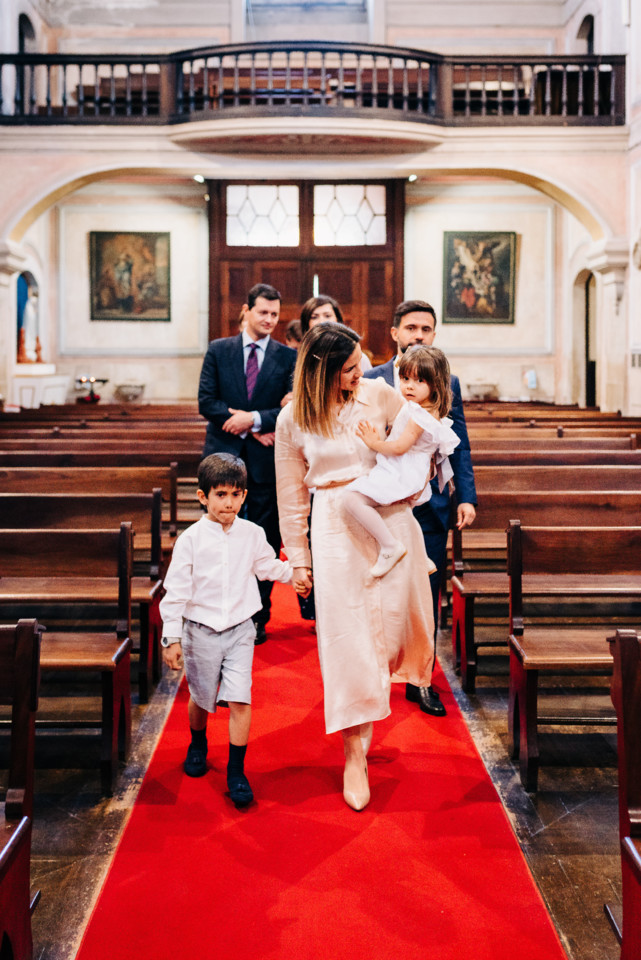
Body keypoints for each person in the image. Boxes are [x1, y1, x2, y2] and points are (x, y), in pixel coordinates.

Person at [275, 322, 435, 811]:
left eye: (359, 364)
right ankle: (353, 752)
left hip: (389, 514)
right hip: (333, 524)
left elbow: (420, 437)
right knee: (346, 640)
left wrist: (420, 481)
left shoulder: (379, 394)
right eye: (347, 369)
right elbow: (290, 496)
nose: (359, 373)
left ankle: (369, 710)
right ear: (321, 370)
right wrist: (298, 559)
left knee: (393, 627)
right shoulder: (292, 419)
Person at [159, 453, 293, 807]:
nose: (229, 503)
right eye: (221, 495)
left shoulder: (253, 533)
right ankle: (198, 743)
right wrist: (171, 637)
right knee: (201, 697)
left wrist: (298, 574)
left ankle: (236, 771)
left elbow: (268, 567)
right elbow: (176, 591)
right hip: (200, 630)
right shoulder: (190, 539)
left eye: (236, 495)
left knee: (240, 698)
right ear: (203, 496)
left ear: (244, 495)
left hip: (240, 629)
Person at [364, 300, 477, 717]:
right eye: (411, 327)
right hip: (382, 502)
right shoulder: (371, 380)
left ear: (433, 334)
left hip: (429, 505)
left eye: (426, 329)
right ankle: (374, 675)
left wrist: (466, 496)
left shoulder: (447, 380)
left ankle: (421, 679)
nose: (418, 335)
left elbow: (459, 443)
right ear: (395, 332)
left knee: (425, 595)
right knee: (378, 592)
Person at [198, 283, 297, 644]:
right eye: (263, 312)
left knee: (263, 539)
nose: (269, 319)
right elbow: (206, 401)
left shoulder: (287, 357)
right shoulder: (219, 349)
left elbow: (291, 406)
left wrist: (252, 419)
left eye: (275, 314)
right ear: (246, 310)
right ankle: (218, 611)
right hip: (222, 459)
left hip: (265, 464)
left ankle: (258, 616)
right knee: (219, 538)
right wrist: (252, 426)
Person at [344, 345, 459, 578]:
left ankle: (389, 547)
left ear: (435, 384)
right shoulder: (425, 409)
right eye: (405, 378)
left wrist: (373, 442)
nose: (409, 386)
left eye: (419, 381)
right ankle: (418, 554)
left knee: (352, 499)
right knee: (402, 514)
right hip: (411, 472)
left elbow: (399, 447)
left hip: (402, 471)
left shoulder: (418, 415)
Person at [300, 294, 372, 370]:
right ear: (306, 323)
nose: (322, 321)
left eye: (327, 316)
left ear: (338, 320)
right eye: (314, 317)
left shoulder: (359, 358)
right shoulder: (300, 358)